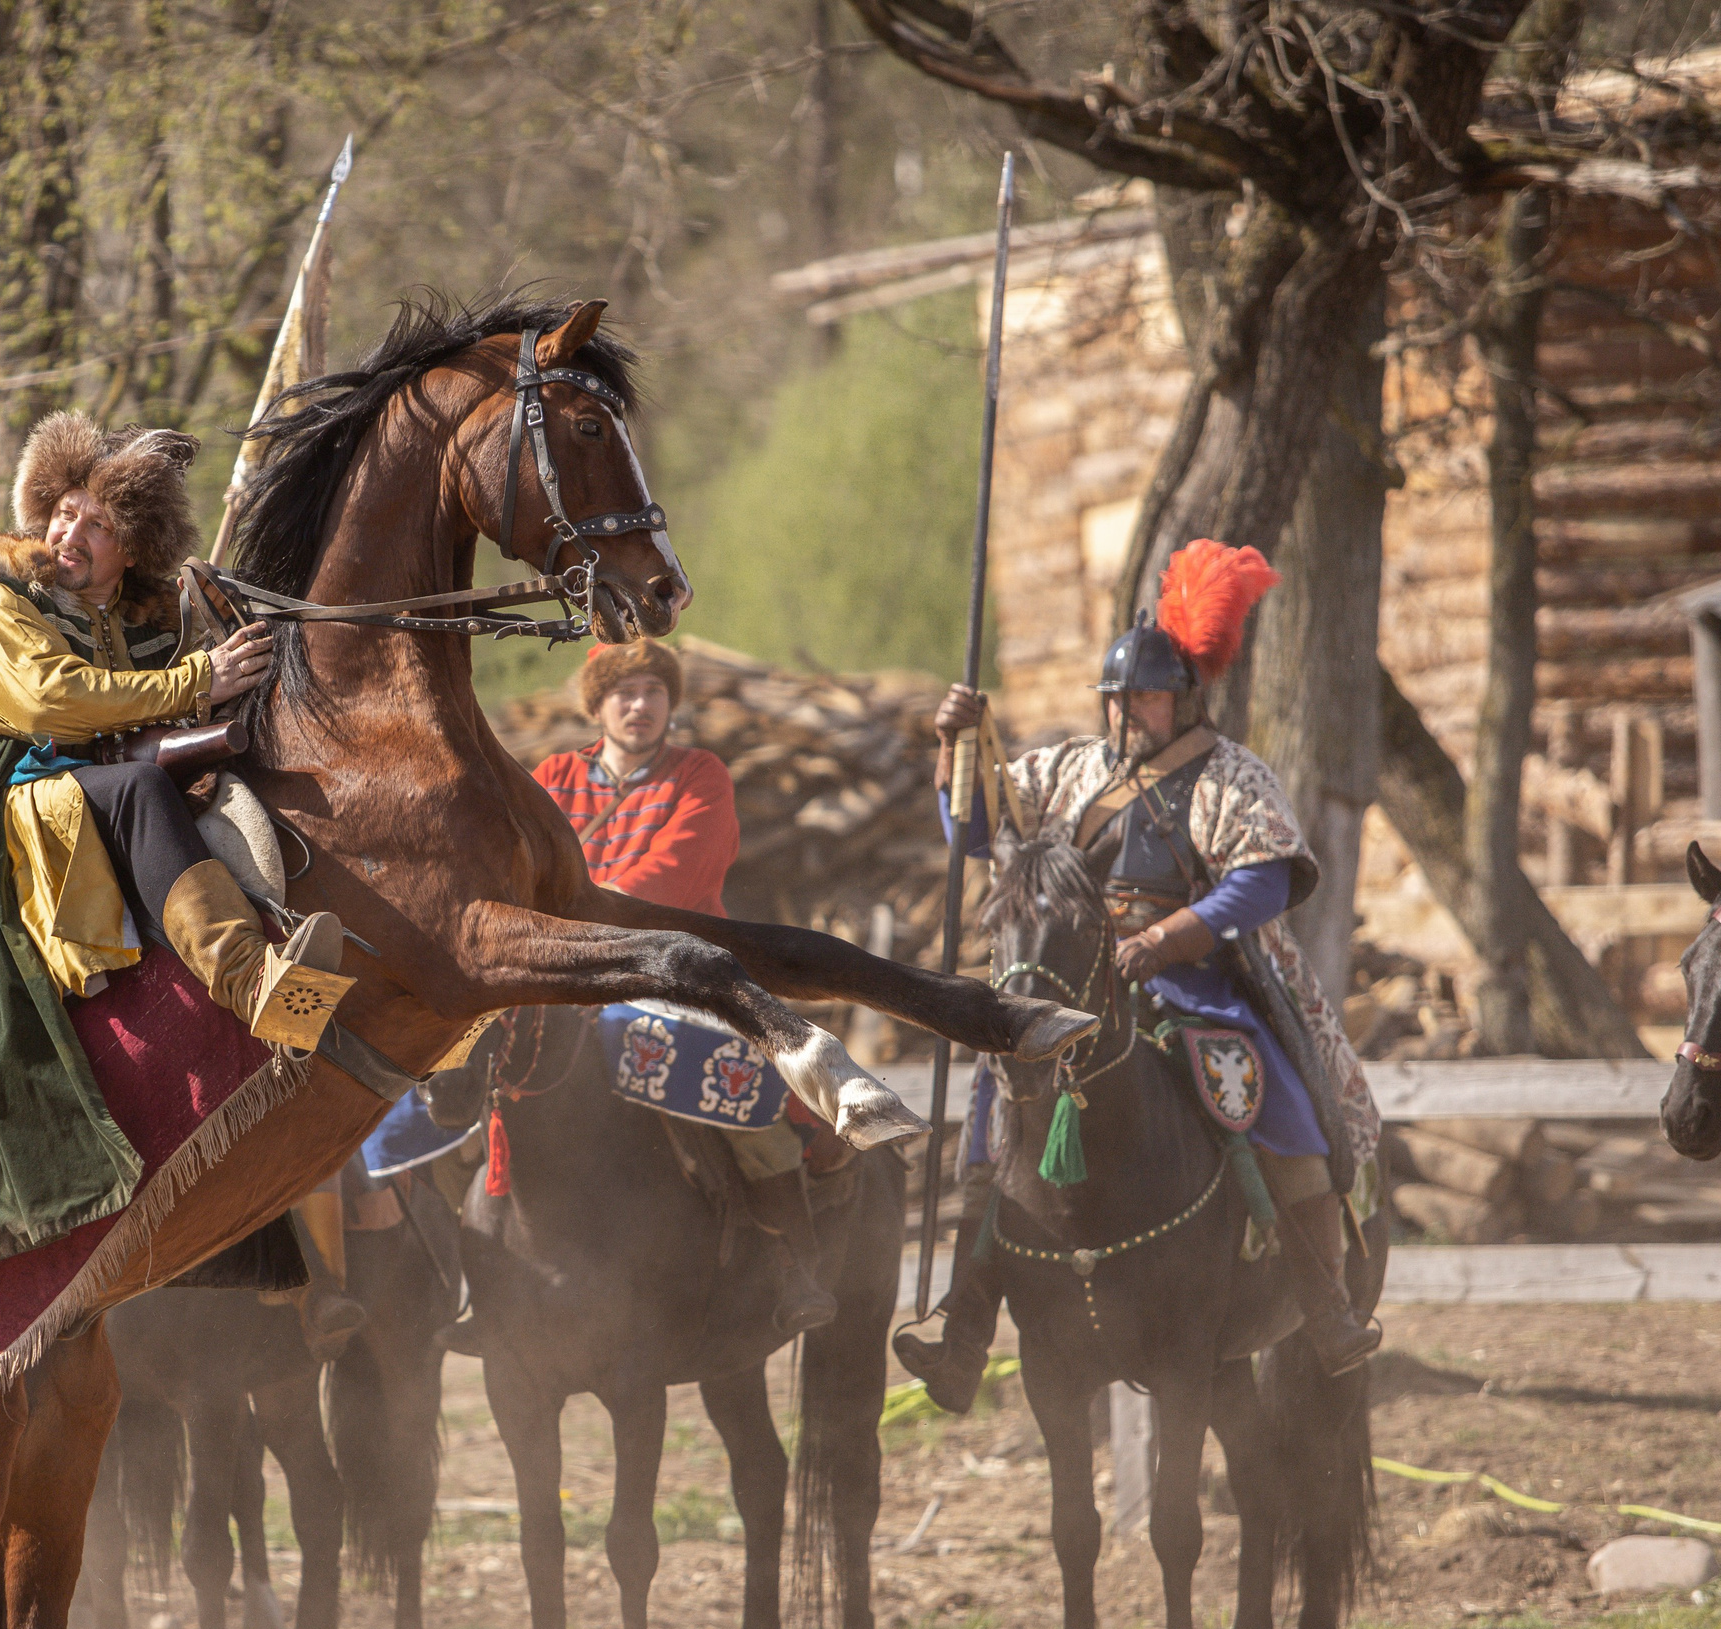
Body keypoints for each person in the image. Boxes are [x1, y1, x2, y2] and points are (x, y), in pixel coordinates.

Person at [0, 414, 362, 1333]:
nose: (67, 536)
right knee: (135, 791)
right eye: (63, 515)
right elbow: (54, 701)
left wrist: (219, 649)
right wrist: (192, 683)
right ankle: (256, 984)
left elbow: (160, 696)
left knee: (219, 804)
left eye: (97, 526)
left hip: (92, 809)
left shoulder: (128, 628)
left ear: (130, 555)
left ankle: (271, 964)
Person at [892, 540, 1381, 1412]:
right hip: (1074, 978)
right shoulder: (1073, 770)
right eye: (1117, 699)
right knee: (988, 1110)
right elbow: (975, 830)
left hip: (1196, 981)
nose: (1128, 714)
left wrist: (1169, 938)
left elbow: (1263, 878)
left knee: (1279, 1106)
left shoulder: (1232, 774)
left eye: (1145, 697)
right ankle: (964, 1329)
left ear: (1183, 697)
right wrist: (952, 747)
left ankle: (1326, 1302)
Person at [530, 637, 838, 1335]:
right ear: (598, 702)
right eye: (624, 691)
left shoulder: (701, 774)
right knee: (466, 1083)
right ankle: (488, 1274)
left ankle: (796, 1260)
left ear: (671, 701)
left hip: (677, 969)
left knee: (734, 1082)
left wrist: (587, 914)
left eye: (653, 691)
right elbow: (525, 860)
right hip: (564, 975)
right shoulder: (554, 776)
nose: (640, 705)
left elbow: (683, 868)